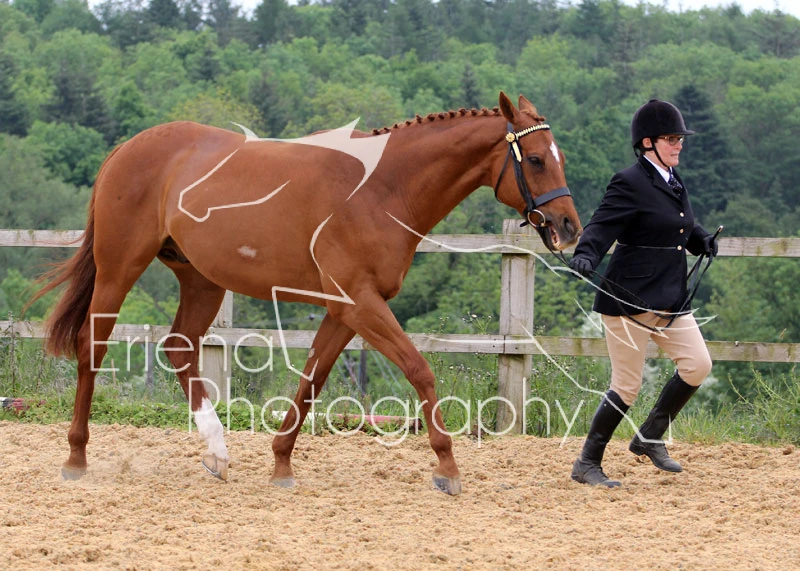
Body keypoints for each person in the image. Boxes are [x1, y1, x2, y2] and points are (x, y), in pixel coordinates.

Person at [568, 99, 718, 488]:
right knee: (627, 385)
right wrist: (586, 254)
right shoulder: (629, 181)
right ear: (647, 142)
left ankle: (649, 436)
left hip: (670, 297)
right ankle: (587, 462)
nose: (679, 144)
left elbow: (680, 224)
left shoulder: (672, 178)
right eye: (671, 139)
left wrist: (700, 238)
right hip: (628, 300)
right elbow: (602, 225)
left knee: (698, 365)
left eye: (680, 138)